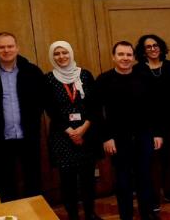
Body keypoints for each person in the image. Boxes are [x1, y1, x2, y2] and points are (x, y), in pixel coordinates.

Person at [0, 32, 45, 201]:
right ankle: (11, 213)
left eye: (10, 46)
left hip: (28, 136)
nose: (6, 50)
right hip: (0, 138)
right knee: (4, 181)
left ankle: (35, 212)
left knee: (33, 178)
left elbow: (42, 98)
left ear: (17, 48)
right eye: (1, 47)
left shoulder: (32, 72)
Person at [96, 41, 163, 220]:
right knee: (123, 180)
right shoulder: (103, 80)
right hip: (118, 139)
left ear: (133, 57)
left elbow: (155, 108)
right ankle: (126, 216)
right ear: (113, 57)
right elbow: (96, 112)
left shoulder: (145, 77)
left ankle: (147, 214)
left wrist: (157, 133)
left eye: (128, 55)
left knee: (145, 178)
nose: (125, 58)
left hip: (144, 136)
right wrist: (106, 137)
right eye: (121, 54)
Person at [44, 41, 102, 220]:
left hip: (87, 133)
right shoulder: (49, 79)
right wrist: (71, 131)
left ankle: (90, 213)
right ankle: (73, 215)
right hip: (62, 135)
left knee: (88, 178)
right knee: (67, 180)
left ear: (71, 53)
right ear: (52, 57)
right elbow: (50, 109)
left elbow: (95, 105)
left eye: (65, 52)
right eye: (57, 53)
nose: (61, 56)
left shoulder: (85, 75)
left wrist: (83, 129)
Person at [135, 35, 170, 208]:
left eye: (155, 45)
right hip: (149, 121)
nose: (153, 49)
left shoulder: (169, 66)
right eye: (148, 47)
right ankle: (153, 197)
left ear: (160, 47)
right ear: (143, 50)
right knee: (153, 162)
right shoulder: (138, 69)